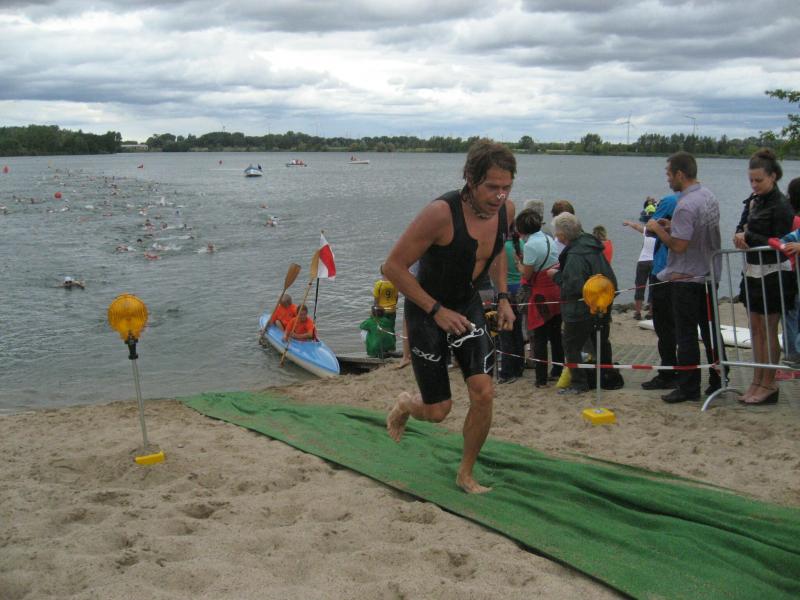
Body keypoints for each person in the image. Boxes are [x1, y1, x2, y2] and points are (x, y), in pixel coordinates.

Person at [383, 139, 516, 494]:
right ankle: (406, 404)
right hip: (426, 309)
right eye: (492, 187)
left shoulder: (506, 210)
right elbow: (392, 267)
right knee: (438, 410)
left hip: (466, 304)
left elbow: (497, 252)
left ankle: (466, 473)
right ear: (470, 179)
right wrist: (436, 310)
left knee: (484, 393)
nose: (500, 195)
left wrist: (504, 296)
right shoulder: (441, 214)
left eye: (506, 187)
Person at [646, 151, 724, 403]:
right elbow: (694, 232)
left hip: (686, 277)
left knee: (686, 334)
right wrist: (673, 227)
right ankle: (719, 378)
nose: (668, 179)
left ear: (680, 174)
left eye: (669, 174)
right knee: (710, 330)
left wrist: (658, 229)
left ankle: (689, 387)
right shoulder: (708, 196)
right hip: (709, 273)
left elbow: (679, 246)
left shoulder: (685, 204)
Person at [732, 149, 796, 404]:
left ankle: (769, 383)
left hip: (774, 273)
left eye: (759, 180)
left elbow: (779, 243)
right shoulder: (753, 200)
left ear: (773, 176)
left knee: (769, 329)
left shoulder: (781, 205)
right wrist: (740, 234)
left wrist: (747, 236)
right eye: (751, 180)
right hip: (753, 270)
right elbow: (742, 226)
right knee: (755, 328)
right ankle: (756, 380)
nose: (754, 185)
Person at [551, 213, 618, 394]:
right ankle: (605, 376)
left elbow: (573, 286)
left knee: (571, 345)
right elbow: (610, 278)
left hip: (581, 307)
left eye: (557, 233)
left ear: (562, 235)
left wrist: (556, 276)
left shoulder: (576, 254)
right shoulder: (593, 246)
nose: (556, 236)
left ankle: (579, 383)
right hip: (601, 303)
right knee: (600, 342)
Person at [516, 208, 564, 388]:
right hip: (555, 290)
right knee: (556, 334)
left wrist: (519, 265)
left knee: (540, 336)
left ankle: (541, 378)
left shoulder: (529, 245)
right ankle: (558, 370)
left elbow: (527, 275)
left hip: (541, 294)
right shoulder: (548, 238)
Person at [496, 225, 525, 383]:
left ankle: (507, 371)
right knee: (517, 330)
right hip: (519, 289)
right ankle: (519, 367)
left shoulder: (499, 247)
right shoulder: (520, 243)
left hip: (504, 291)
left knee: (505, 332)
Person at [621, 217, 657, 320]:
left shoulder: (647, 232)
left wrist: (628, 222)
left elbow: (636, 226)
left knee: (639, 286)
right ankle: (651, 313)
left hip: (643, 261)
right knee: (653, 287)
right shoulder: (660, 235)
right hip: (654, 262)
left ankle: (637, 312)